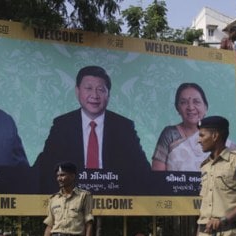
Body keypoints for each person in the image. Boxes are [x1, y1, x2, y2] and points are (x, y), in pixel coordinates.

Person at [34, 65, 150, 193]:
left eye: (101, 90)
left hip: (112, 197)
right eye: (88, 88)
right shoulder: (62, 125)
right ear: (77, 91)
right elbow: (45, 167)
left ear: (108, 95)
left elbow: (142, 171)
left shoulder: (124, 127)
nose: (94, 95)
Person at [151, 83, 236, 171]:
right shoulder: (170, 134)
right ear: (178, 108)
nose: (191, 107)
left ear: (205, 107)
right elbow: (158, 175)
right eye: (183, 102)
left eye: (196, 101)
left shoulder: (220, 136)